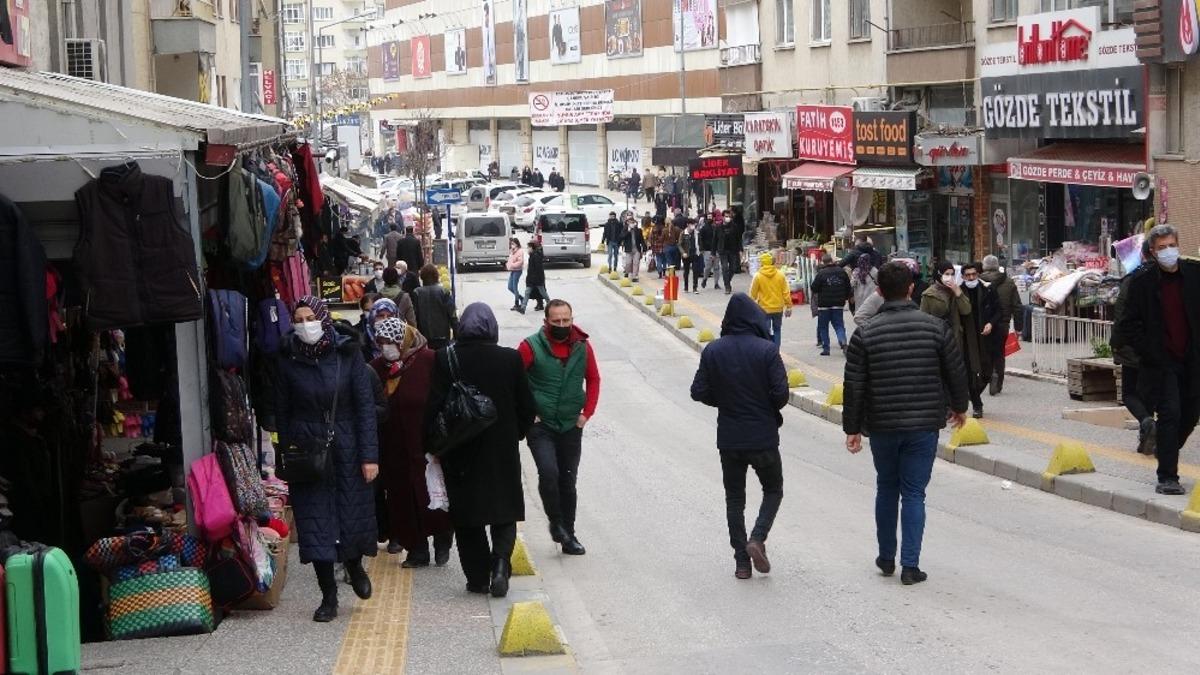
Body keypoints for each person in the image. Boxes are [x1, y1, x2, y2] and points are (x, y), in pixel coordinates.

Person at [842, 262, 969, 586]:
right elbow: (955, 371)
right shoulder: (935, 328)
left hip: (882, 424)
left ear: (879, 292)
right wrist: (959, 407)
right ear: (911, 288)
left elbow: (854, 384)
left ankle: (886, 557)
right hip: (923, 424)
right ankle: (910, 566)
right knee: (914, 493)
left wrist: (852, 428)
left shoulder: (865, 334)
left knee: (887, 486)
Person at [276, 297, 379, 622]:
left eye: (310, 317)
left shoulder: (348, 354)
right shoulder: (287, 359)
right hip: (308, 450)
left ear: (323, 319)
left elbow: (365, 409)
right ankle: (328, 596)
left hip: (347, 446)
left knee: (350, 515)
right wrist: (289, 450)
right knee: (315, 523)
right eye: (299, 318)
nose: (304, 324)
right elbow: (282, 410)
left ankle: (353, 565)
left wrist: (369, 456)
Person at [427, 304, 535, 596]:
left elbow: (434, 407)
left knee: (467, 517)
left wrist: (433, 446)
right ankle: (500, 566)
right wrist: (516, 433)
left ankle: (477, 578)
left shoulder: (445, 359)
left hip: (460, 450)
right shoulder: (510, 359)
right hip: (501, 450)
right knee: (504, 511)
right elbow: (527, 405)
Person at [690, 293, 788, 579]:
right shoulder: (767, 350)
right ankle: (757, 538)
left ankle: (741, 563)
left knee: (735, 498)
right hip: (763, 436)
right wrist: (763, 404)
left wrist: (723, 400)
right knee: (773, 489)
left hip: (729, 437)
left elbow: (698, 392)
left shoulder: (713, 350)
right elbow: (781, 394)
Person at [1112, 224, 1200, 495]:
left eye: (1171, 245)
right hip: (1162, 362)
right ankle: (1168, 477)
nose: (1168, 252)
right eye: (1161, 248)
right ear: (1152, 251)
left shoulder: (1195, 275)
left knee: (1191, 414)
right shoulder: (1142, 282)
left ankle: (1164, 446)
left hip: (1192, 358)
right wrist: (1148, 350)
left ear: (1178, 245)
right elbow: (1127, 323)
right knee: (1171, 412)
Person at [371, 318, 454, 567]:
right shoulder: (376, 369)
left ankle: (442, 541)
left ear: (404, 340)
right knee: (401, 498)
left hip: (427, 445)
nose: (387, 347)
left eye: (391, 342)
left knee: (433, 494)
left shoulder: (430, 360)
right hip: (393, 448)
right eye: (382, 342)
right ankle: (416, 549)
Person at [519, 300, 600, 556]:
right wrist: (527, 413)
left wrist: (586, 414)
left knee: (568, 481)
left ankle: (569, 535)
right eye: (557, 321)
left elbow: (594, 378)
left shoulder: (582, 347)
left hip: (570, 425)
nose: (563, 325)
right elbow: (513, 379)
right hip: (541, 426)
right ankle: (555, 522)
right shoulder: (530, 346)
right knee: (549, 473)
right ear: (547, 321)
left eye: (567, 320)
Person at [920, 261, 989, 419]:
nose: (949, 277)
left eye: (951, 273)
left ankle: (976, 404)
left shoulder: (957, 290)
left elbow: (966, 310)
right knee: (944, 376)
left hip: (959, 339)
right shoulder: (929, 294)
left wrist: (957, 292)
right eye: (946, 273)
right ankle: (947, 407)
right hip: (938, 339)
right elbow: (923, 317)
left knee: (967, 374)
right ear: (938, 274)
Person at [1111, 241, 1155, 456]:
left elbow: (1122, 316)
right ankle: (1148, 435)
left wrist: (1117, 345)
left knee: (1130, 393)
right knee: (1150, 394)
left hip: (1133, 347)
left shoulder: (1134, 280)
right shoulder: (1173, 278)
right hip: (1161, 349)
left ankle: (1146, 422)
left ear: (1143, 255)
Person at [979, 255, 1022, 395]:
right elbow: (1017, 306)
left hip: (983, 324)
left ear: (984, 266)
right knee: (999, 353)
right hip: (1003, 323)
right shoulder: (1009, 282)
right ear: (998, 266)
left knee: (986, 352)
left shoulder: (978, 281)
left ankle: (989, 374)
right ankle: (997, 379)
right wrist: (1019, 327)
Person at [810, 253, 850, 355]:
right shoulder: (841, 272)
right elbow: (848, 287)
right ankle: (843, 342)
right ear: (832, 260)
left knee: (823, 327)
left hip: (824, 305)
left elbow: (814, 288)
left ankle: (826, 349)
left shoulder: (821, 273)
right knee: (839, 325)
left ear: (823, 262)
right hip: (838, 304)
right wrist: (846, 297)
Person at [750, 252, 792, 347]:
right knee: (777, 330)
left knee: (765, 331)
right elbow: (786, 292)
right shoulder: (780, 275)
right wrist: (789, 306)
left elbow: (753, 294)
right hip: (778, 308)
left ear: (762, 263)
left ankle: (767, 351)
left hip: (764, 309)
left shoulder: (758, 276)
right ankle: (776, 351)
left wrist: (751, 307)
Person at [412, 264, 458, 350]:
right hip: (442, 336)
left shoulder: (417, 293)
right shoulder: (444, 291)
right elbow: (452, 315)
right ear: (436, 276)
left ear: (422, 277)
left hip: (424, 337)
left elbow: (414, 316)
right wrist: (457, 334)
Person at [517, 240, 548, 315]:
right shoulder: (532, 255)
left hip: (537, 279)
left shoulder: (536, 256)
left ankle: (550, 304)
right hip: (532, 279)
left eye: (529, 247)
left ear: (532, 247)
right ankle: (523, 308)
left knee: (543, 293)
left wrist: (536, 278)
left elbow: (538, 269)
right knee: (527, 292)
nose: (528, 249)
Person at [720, 209, 744, 294]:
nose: (728, 218)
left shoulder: (734, 226)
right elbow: (715, 240)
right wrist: (713, 253)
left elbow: (739, 239)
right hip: (723, 251)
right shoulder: (719, 227)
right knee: (724, 267)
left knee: (733, 268)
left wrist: (741, 249)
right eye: (726, 216)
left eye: (729, 216)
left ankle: (727, 280)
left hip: (733, 250)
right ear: (723, 217)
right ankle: (727, 286)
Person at [850, 255, 878, 322]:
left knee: (861, 316)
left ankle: (863, 329)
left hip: (859, 298)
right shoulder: (875, 270)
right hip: (871, 297)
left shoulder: (856, 271)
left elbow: (852, 284)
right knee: (871, 316)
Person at [678, 218, 702, 294]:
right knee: (686, 271)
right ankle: (686, 287)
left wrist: (700, 250)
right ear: (688, 225)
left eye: (694, 224)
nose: (693, 226)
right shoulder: (683, 233)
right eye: (692, 224)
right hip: (686, 255)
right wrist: (683, 252)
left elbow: (700, 242)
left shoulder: (697, 233)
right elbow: (679, 244)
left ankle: (695, 288)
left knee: (695, 271)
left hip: (695, 254)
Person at [700, 216, 723, 291]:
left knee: (716, 267)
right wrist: (701, 248)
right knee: (708, 267)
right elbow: (700, 239)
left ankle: (716, 283)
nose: (710, 219)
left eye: (711, 217)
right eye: (708, 217)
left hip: (716, 250)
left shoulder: (716, 228)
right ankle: (705, 279)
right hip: (707, 250)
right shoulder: (703, 228)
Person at [621, 216, 646, 281]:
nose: (631, 224)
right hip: (629, 249)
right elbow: (622, 237)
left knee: (636, 263)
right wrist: (628, 231)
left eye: (633, 222)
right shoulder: (625, 229)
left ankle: (635, 276)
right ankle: (627, 272)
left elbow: (642, 240)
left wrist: (644, 248)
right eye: (630, 222)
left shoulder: (638, 230)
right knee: (628, 263)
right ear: (628, 223)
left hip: (636, 249)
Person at [505, 238, 525, 311]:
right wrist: (508, 265)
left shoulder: (520, 251)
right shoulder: (513, 251)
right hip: (513, 271)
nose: (512, 245)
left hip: (518, 271)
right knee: (510, 287)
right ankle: (521, 298)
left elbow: (520, 262)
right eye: (511, 244)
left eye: (513, 243)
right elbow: (510, 260)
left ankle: (517, 304)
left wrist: (512, 265)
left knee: (514, 287)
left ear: (517, 244)